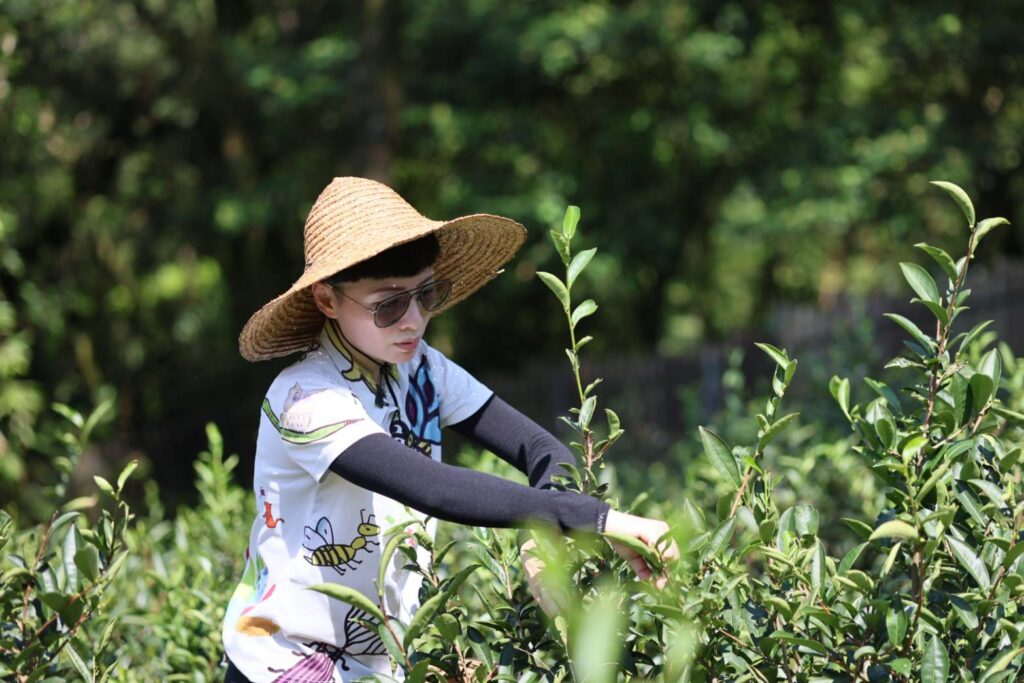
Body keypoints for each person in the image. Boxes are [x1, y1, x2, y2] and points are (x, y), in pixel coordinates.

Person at [222, 177, 678, 682]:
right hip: (284, 664)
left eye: (427, 294)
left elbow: (539, 449)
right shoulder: (304, 398)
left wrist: (542, 535)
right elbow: (436, 489)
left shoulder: (421, 369)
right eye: (388, 304)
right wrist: (592, 518)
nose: (414, 320)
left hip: (384, 665)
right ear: (328, 300)